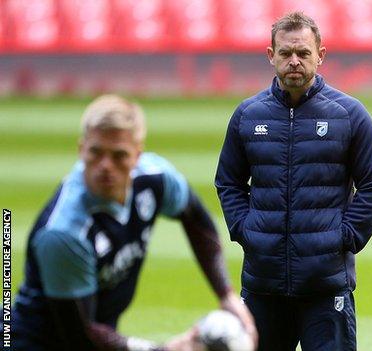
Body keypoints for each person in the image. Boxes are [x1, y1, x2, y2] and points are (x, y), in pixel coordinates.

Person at [11, 94, 256, 351]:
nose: (106, 166)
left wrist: (226, 295)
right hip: (39, 342)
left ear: (137, 155)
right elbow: (80, 336)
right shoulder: (64, 232)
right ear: (81, 149)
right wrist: (163, 349)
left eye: (119, 155)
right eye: (96, 152)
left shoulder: (156, 178)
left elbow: (195, 220)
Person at [215, 11, 372, 351]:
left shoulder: (349, 114)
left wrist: (345, 236)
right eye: (286, 53)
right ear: (271, 56)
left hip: (325, 285)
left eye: (304, 53)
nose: (295, 61)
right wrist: (245, 229)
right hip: (263, 284)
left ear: (320, 56)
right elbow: (228, 182)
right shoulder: (248, 115)